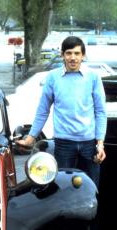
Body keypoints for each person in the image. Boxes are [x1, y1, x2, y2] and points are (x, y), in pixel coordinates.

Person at [16, 36, 107, 187]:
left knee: (91, 188)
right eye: (69, 53)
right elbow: (43, 110)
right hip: (63, 144)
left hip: (89, 144)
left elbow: (101, 112)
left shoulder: (93, 78)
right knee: (62, 189)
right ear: (62, 55)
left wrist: (100, 144)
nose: (73, 58)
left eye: (77, 54)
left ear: (83, 55)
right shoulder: (52, 77)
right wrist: (31, 137)